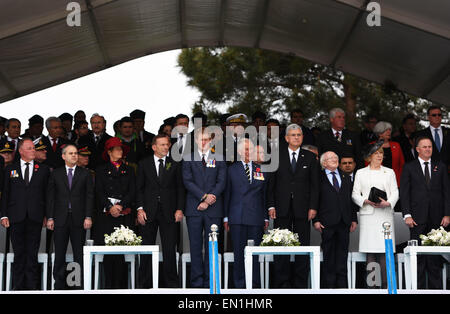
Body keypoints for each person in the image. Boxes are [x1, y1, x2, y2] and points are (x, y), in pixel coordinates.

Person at [267, 123, 320, 288]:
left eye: (299, 135)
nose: (296, 137)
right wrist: (271, 206)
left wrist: (313, 207)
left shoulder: (310, 157)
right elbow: (271, 185)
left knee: (303, 247)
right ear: (286, 138)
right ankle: (282, 284)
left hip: (303, 209)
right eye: (293, 135)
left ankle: (300, 284)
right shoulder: (276, 155)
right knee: (280, 247)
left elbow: (315, 186)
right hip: (281, 208)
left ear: (302, 137)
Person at [400, 137, 450, 289]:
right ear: (417, 149)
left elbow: (446, 192)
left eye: (430, 147)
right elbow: (405, 193)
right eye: (425, 147)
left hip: (437, 219)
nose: (428, 149)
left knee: (435, 258)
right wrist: (407, 215)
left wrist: (447, 214)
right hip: (416, 218)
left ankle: (436, 290)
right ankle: (418, 289)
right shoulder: (409, 167)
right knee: (418, 258)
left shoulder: (440, 166)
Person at [0, 139, 50, 290]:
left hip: (35, 216)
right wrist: (3, 215)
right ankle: (18, 286)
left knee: (33, 253)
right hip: (16, 217)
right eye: (30, 148)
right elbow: (6, 194)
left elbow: (47, 194)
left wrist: (48, 215)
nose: (33, 151)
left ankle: (32, 287)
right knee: (19, 253)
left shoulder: (43, 169)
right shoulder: (10, 170)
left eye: (34, 148)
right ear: (21, 151)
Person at [137, 134, 185, 288]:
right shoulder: (144, 164)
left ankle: (171, 284)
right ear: (154, 147)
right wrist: (139, 209)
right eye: (163, 145)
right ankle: (144, 284)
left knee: (170, 248)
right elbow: (139, 189)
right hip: (148, 211)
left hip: (169, 211)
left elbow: (180, 188)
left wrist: (179, 209)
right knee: (146, 248)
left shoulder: (175, 163)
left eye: (167, 144)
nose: (166, 147)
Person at [182, 128, 227, 288]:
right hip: (194, 208)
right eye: (201, 139)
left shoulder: (219, 158)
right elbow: (187, 181)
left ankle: (211, 281)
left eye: (207, 139)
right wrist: (203, 197)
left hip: (213, 209)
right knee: (195, 246)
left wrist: (208, 201)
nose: (204, 142)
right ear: (195, 140)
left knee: (212, 247)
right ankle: (196, 282)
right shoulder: (187, 158)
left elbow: (221, 182)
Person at [351, 141, 399, 288]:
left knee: (385, 251)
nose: (379, 156)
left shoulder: (389, 172)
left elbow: (395, 192)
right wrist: (364, 200)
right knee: (370, 252)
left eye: (381, 153)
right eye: (376, 153)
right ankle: (372, 287)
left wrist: (388, 202)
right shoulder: (360, 172)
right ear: (369, 157)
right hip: (368, 216)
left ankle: (387, 286)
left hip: (384, 215)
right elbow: (354, 194)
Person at [46, 144, 94, 290]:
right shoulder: (55, 173)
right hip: (60, 218)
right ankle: (59, 285)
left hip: (79, 219)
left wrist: (88, 216)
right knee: (59, 253)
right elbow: (50, 197)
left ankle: (77, 284)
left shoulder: (85, 173)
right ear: (63, 156)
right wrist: (50, 217)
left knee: (78, 253)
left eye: (76, 153)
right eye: (71, 153)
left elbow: (89, 196)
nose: (74, 155)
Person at [224, 138, 268, 288]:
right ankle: (239, 284)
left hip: (256, 217)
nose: (249, 152)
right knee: (238, 253)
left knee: (254, 253)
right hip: (237, 216)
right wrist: (226, 217)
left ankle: (254, 284)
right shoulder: (231, 169)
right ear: (239, 152)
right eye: (246, 149)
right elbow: (227, 195)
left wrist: (265, 217)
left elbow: (264, 196)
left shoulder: (260, 169)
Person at [95, 137, 136, 288]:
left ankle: (122, 287)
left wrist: (120, 205)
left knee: (122, 252)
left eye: (121, 149)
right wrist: (109, 207)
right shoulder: (100, 170)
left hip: (123, 215)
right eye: (117, 149)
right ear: (109, 152)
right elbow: (98, 192)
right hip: (107, 216)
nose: (120, 151)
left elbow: (132, 191)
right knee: (108, 252)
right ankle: (108, 287)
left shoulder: (129, 170)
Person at [313, 151, 357, 288]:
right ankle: (329, 287)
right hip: (326, 222)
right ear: (323, 163)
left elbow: (351, 200)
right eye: (331, 158)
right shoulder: (318, 177)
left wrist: (353, 219)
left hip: (344, 222)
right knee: (329, 256)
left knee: (342, 255)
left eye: (336, 158)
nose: (334, 160)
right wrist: (315, 220)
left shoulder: (345, 176)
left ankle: (342, 287)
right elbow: (314, 199)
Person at [415, 105, 450, 170]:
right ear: (429, 117)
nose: (437, 117)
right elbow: (418, 155)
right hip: (429, 173)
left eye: (439, 115)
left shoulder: (448, 132)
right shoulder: (420, 134)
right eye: (434, 115)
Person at [372, 121, 405, 187]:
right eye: (386, 130)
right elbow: (368, 166)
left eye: (390, 130)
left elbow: (402, 164)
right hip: (377, 183)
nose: (389, 132)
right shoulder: (372, 146)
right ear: (379, 133)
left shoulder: (396, 145)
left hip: (395, 182)